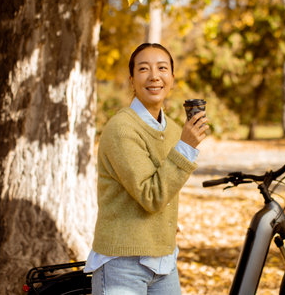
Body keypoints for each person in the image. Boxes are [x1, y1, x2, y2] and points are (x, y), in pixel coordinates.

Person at [84, 43, 209, 295]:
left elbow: (167, 189)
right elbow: (151, 195)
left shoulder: (173, 129)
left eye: (162, 68)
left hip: (164, 263)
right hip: (122, 265)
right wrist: (185, 147)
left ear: (172, 78)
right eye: (144, 69)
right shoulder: (122, 129)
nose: (154, 76)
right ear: (132, 80)